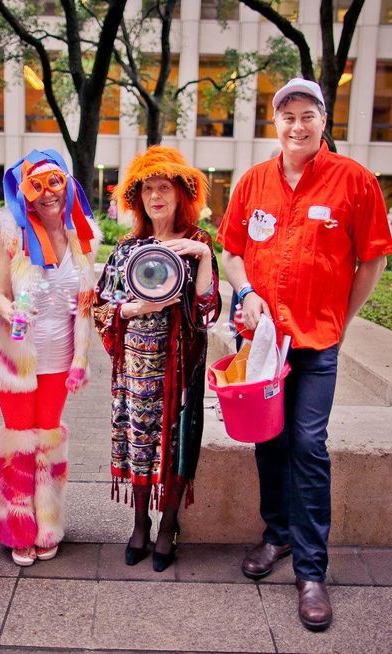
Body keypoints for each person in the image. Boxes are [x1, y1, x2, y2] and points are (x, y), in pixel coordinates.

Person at [218, 78, 392, 631]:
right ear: (276, 123)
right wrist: (245, 292)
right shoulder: (253, 181)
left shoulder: (355, 181)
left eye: (307, 115)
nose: (298, 126)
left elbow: (372, 258)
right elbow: (232, 251)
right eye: (288, 116)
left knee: (308, 446)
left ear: (323, 121)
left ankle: (312, 571)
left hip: (317, 343)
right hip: (262, 345)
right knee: (268, 441)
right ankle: (277, 535)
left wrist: (343, 319)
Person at [92, 146, 221, 572]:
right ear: (137, 198)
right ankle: (139, 523)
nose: (155, 196)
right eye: (147, 189)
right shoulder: (128, 246)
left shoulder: (197, 242)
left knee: (177, 445)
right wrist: (134, 309)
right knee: (140, 442)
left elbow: (207, 309)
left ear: (182, 193)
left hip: (180, 367)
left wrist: (202, 256)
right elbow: (101, 307)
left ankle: (168, 526)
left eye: (164, 187)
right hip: (135, 367)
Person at [0, 149, 100, 567]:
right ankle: (17, 527)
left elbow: (85, 305)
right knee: (19, 439)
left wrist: (81, 358)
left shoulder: (83, 238)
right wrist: (10, 310)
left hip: (60, 357)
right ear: (25, 193)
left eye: (55, 183)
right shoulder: (13, 236)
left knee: (48, 439)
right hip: (15, 356)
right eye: (37, 186)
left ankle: (47, 523)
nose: (48, 194)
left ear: (68, 187)